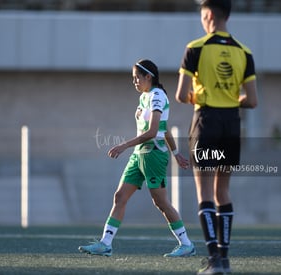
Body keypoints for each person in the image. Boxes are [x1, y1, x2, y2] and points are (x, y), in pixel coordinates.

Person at [78, 59, 195, 257]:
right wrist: (176, 153)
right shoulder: (144, 97)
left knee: (161, 202)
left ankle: (186, 244)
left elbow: (155, 131)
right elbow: (164, 130)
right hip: (139, 155)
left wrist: (124, 145)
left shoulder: (157, 96)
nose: (134, 82)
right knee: (120, 196)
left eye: (137, 78)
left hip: (153, 155)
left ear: (148, 77)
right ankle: (106, 243)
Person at [175, 0, 258, 274]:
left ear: (208, 14)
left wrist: (201, 96)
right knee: (223, 192)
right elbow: (253, 101)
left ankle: (214, 261)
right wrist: (230, 98)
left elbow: (181, 94)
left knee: (205, 193)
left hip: (206, 122)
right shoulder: (245, 52)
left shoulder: (195, 48)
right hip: (232, 124)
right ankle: (225, 258)